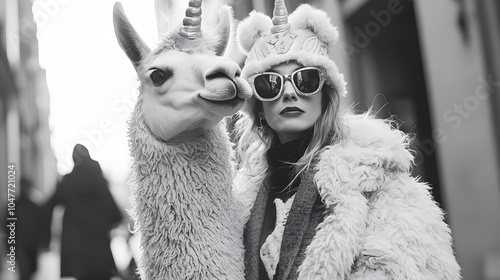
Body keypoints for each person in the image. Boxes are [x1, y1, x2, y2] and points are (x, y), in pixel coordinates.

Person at [233, 0, 461, 279]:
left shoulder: (377, 180)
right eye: (270, 83)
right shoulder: (241, 203)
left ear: (325, 94)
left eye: (304, 80)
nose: (290, 93)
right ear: (258, 106)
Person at [44, 144, 122, 280]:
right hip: (99, 245)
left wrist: (45, 239)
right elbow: (114, 212)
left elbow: (48, 206)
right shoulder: (98, 180)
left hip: (76, 249)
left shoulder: (68, 181)